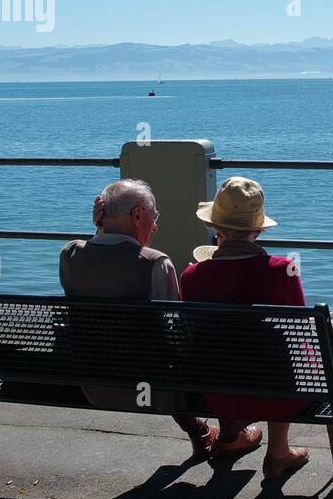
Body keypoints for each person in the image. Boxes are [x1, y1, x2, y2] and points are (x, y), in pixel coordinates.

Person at [181, 176, 333, 483]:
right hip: (282, 394)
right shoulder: (281, 271)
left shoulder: (191, 276)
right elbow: (299, 336)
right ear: (258, 229)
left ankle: (271, 450)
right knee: (329, 348)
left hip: (219, 393)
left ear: (215, 227)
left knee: (246, 353)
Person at [58, 178, 262, 460]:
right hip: (154, 389)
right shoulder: (155, 262)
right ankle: (231, 435)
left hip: (94, 384)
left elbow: (99, 265)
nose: (154, 226)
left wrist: (100, 230)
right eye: (153, 217)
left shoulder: (69, 254)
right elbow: (178, 340)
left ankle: (202, 433)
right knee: (208, 344)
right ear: (138, 215)